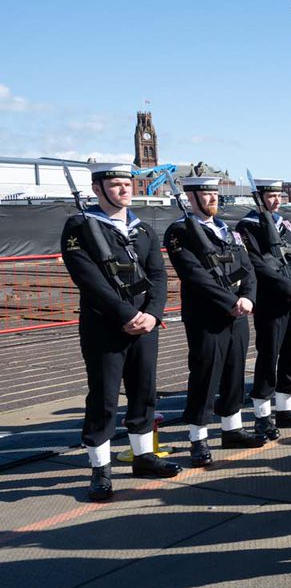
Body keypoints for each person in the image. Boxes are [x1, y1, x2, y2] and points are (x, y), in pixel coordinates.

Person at [61, 162, 176, 501]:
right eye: (116, 185)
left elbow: (158, 275)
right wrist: (127, 314)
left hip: (145, 325)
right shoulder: (80, 225)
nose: (125, 190)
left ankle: (143, 457)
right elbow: (88, 278)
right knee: (104, 398)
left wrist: (152, 314)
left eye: (128, 184)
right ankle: (100, 470)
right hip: (105, 326)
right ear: (98, 189)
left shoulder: (142, 229)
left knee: (144, 390)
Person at [164, 176, 265, 467]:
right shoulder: (179, 231)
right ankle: (198, 437)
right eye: (206, 194)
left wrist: (247, 298)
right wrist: (230, 302)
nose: (213, 198)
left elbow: (247, 269)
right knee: (205, 376)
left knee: (235, 372)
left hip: (239, 314)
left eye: (214, 193)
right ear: (190, 198)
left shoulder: (227, 231)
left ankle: (232, 428)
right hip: (207, 316)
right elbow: (194, 275)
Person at [236, 177, 291, 438]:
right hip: (272, 301)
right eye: (271, 196)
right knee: (268, 357)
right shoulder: (248, 227)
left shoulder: (286, 225)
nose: (276, 201)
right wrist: (288, 287)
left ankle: (285, 408)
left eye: (279, 196)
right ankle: (262, 414)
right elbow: (257, 263)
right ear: (258, 197)